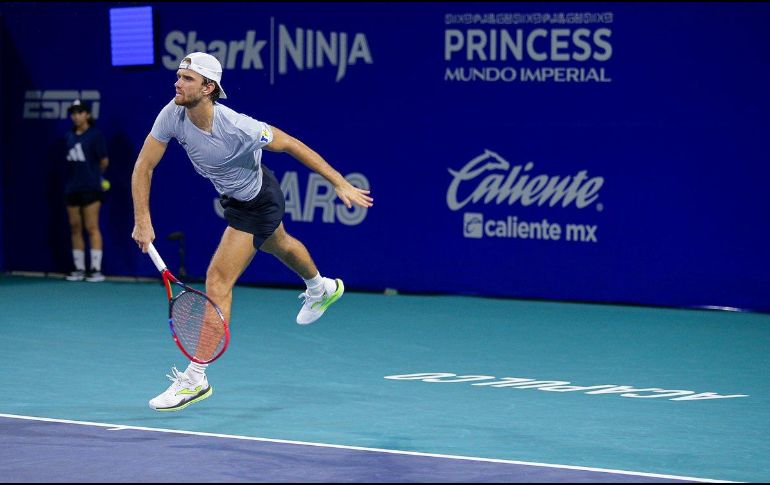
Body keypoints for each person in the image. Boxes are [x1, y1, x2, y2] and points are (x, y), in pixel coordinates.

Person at [131, 52, 374, 412]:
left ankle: (196, 378)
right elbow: (144, 166)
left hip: (258, 200)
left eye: (187, 79)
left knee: (217, 280)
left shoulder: (237, 126)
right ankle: (320, 287)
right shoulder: (172, 113)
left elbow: (291, 144)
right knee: (280, 245)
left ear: (209, 88)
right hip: (235, 200)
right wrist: (142, 219)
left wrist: (339, 183)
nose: (177, 84)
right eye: (178, 76)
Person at [64, 100, 109, 283]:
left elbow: (104, 161)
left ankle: (95, 270)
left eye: (80, 112)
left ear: (87, 115)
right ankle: (79, 268)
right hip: (72, 189)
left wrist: (94, 177)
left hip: (91, 188)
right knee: (75, 227)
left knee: (91, 227)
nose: (76, 116)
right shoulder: (68, 136)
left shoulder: (95, 136)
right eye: (73, 112)